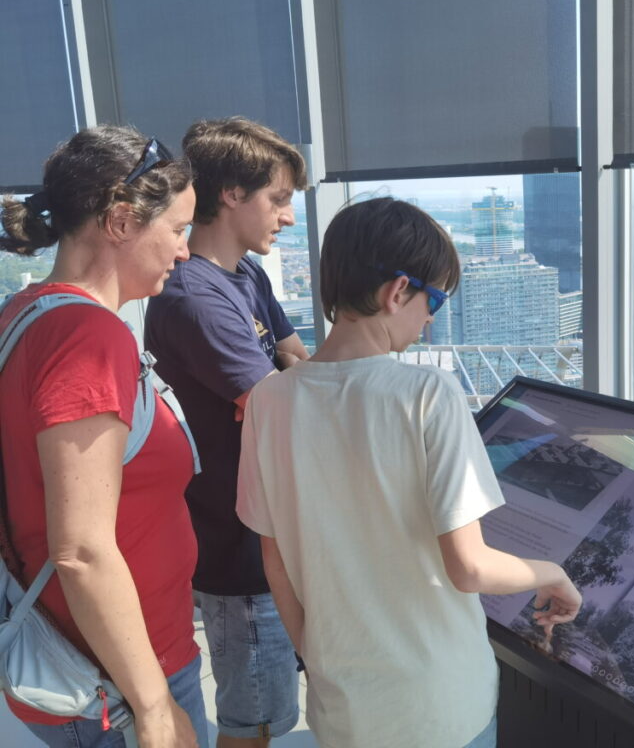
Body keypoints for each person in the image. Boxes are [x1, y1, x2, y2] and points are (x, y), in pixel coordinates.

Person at [235, 197, 583, 748]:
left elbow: (274, 558)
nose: (430, 319)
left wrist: (318, 656)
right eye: (435, 300)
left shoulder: (268, 399)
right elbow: (469, 568)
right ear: (398, 291)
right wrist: (553, 574)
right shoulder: (427, 393)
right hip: (437, 705)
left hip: (343, 707)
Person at [0, 126, 205, 747]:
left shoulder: (24, 313)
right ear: (120, 221)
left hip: (83, 664)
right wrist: (156, 709)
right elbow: (82, 550)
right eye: (177, 230)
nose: (185, 252)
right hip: (116, 684)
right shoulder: (90, 338)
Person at [143, 117, 308, 747]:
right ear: (233, 194)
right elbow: (283, 405)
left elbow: (297, 368)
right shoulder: (194, 297)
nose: (288, 218)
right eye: (279, 198)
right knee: (255, 718)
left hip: (265, 534)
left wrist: (278, 390)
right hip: (235, 548)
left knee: (269, 708)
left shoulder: (245, 276)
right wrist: (277, 392)